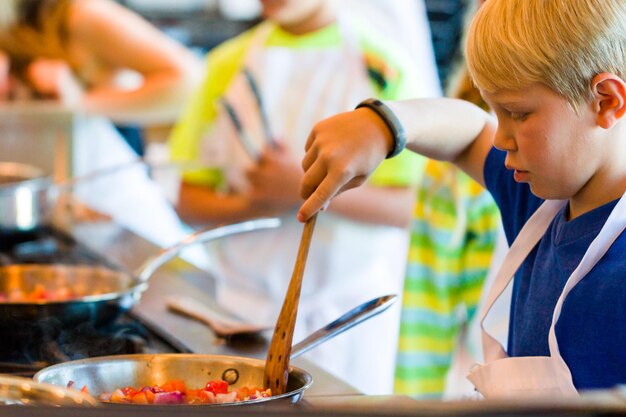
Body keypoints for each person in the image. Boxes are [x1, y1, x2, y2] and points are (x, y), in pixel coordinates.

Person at [298, 0, 626, 397]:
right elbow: (470, 132)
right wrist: (385, 125)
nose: (501, 139)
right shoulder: (538, 203)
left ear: (607, 101)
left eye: (517, 114)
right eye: (496, 112)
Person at [168, 0, 437, 394]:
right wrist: (254, 203)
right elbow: (189, 201)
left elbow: (410, 207)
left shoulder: (382, 68)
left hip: (346, 316)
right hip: (241, 311)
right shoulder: (226, 66)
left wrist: (300, 186)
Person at [0, 0, 203, 248]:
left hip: (111, 216)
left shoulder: (76, 13)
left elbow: (187, 82)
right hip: (42, 217)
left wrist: (78, 104)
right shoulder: (12, 25)